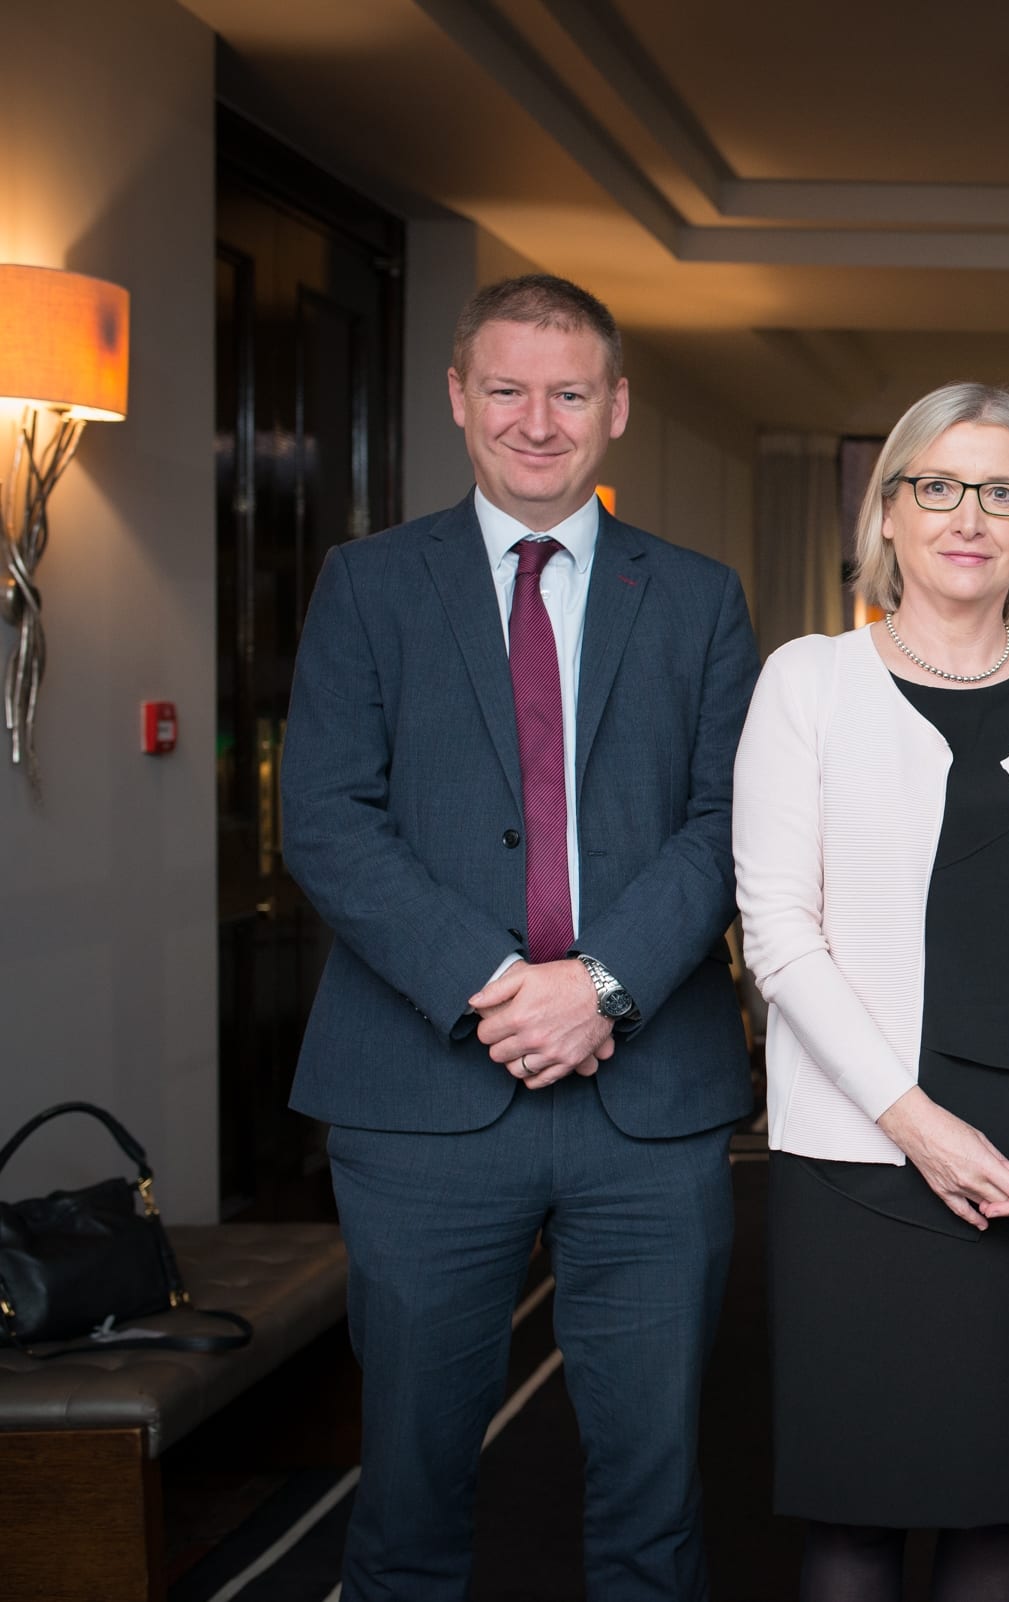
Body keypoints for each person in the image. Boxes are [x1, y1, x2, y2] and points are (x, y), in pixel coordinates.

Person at [280, 274, 759, 1600]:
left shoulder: (702, 599)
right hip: (420, 1098)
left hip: (648, 1099)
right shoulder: (368, 587)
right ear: (457, 400)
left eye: (566, 391)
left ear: (615, 408)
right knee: (410, 1494)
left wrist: (602, 984)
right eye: (506, 388)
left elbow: (732, 823)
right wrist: (501, 984)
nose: (535, 420)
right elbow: (323, 819)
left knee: (656, 1495)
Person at [732, 383, 1009, 1602]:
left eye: (1002, 490)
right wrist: (918, 1126)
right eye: (938, 484)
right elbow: (780, 934)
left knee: (995, 1514)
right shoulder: (806, 682)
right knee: (855, 1519)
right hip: (863, 1166)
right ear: (891, 509)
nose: (969, 515)